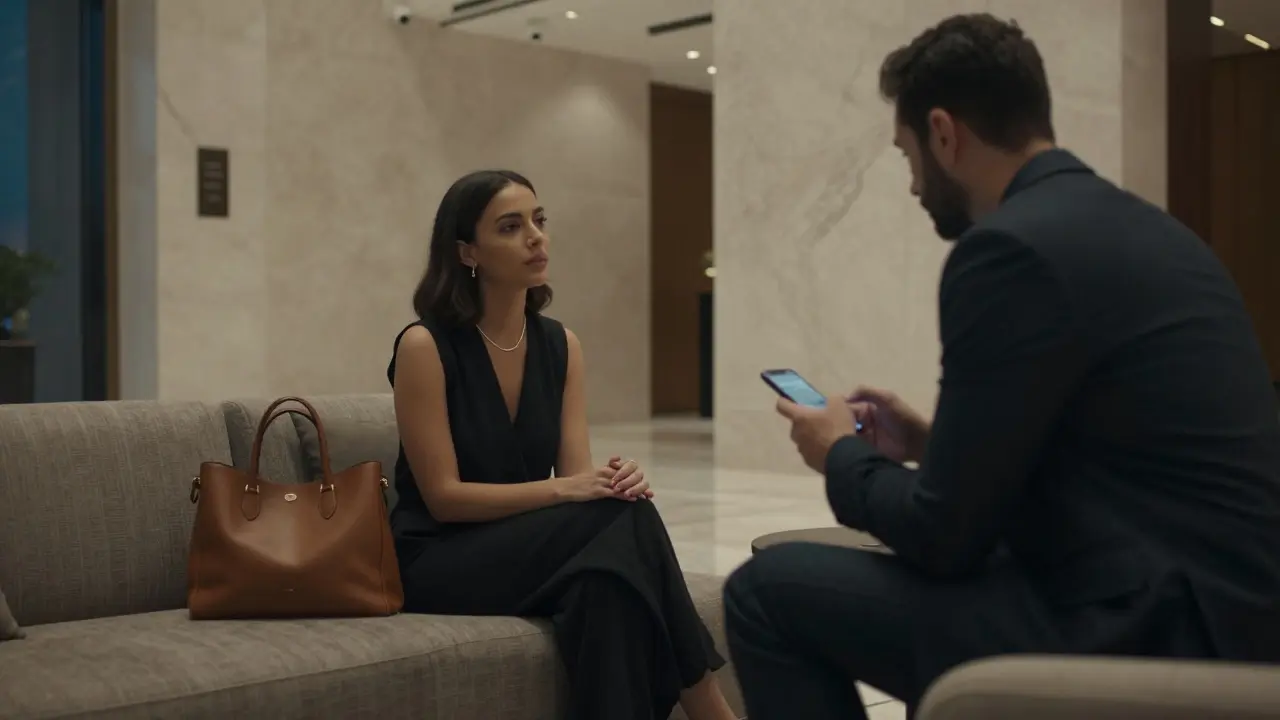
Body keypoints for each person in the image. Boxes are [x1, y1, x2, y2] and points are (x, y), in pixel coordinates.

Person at [723, 13, 1280, 720]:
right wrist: (932, 444)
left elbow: (942, 538)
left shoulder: (1010, 251)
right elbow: (1110, 447)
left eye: (906, 155)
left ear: (944, 133)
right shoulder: (1154, 231)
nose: (912, 183)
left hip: (1147, 629)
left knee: (765, 591)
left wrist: (836, 452)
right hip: (1229, 612)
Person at [388, 169, 736, 720]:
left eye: (539, 220)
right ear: (467, 252)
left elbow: (580, 481)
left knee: (608, 584)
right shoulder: (424, 346)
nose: (536, 237)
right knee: (619, 528)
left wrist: (611, 483)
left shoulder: (561, 345)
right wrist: (567, 492)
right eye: (510, 226)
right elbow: (444, 499)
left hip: (524, 546)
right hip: (437, 557)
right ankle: (712, 709)